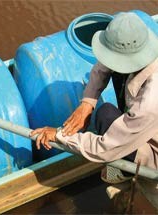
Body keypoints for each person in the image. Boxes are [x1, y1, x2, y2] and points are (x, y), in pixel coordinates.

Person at [30, 12, 158, 178]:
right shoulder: (144, 45)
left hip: (153, 155)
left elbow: (105, 149)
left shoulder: (149, 102)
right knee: (107, 105)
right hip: (144, 121)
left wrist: (59, 136)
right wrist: (87, 103)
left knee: (105, 116)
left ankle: (127, 170)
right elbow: (104, 67)